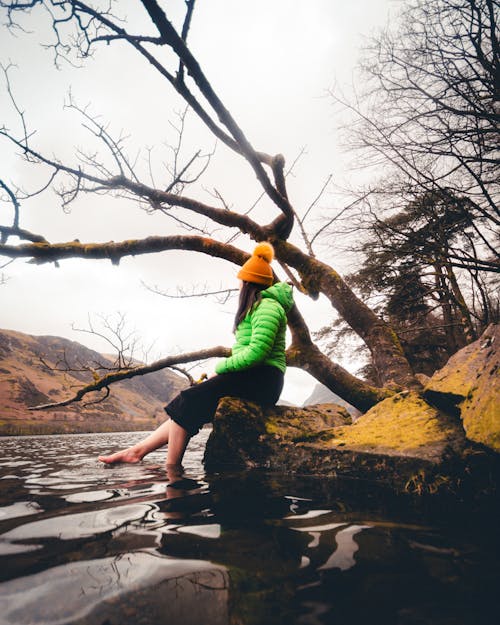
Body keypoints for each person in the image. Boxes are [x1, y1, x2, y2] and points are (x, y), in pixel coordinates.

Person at [98, 242, 294, 467]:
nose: (238, 285)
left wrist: (220, 369)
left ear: (249, 282)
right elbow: (249, 353)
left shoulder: (267, 307)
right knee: (188, 400)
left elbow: (257, 353)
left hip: (262, 379)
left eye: (240, 281)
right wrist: (223, 376)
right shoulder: (259, 307)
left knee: (190, 400)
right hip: (255, 377)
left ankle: (172, 469)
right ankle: (137, 451)